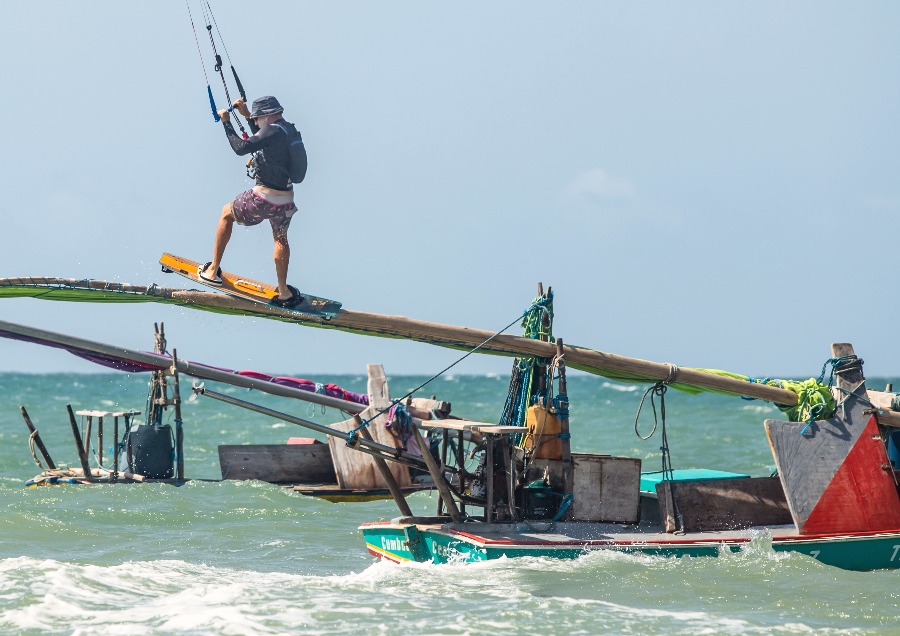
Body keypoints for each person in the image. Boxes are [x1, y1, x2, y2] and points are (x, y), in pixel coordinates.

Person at [199, 95, 304, 308]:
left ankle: (212, 271)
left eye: (257, 119)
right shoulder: (288, 129)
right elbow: (264, 139)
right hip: (286, 200)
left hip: (263, 198)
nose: (255, 122)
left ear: (266, 116)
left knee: (225, 213)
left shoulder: (273, 130)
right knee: (280, 238)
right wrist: (247, 115)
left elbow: (241, 148)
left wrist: (227, 123)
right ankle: (283, 292)